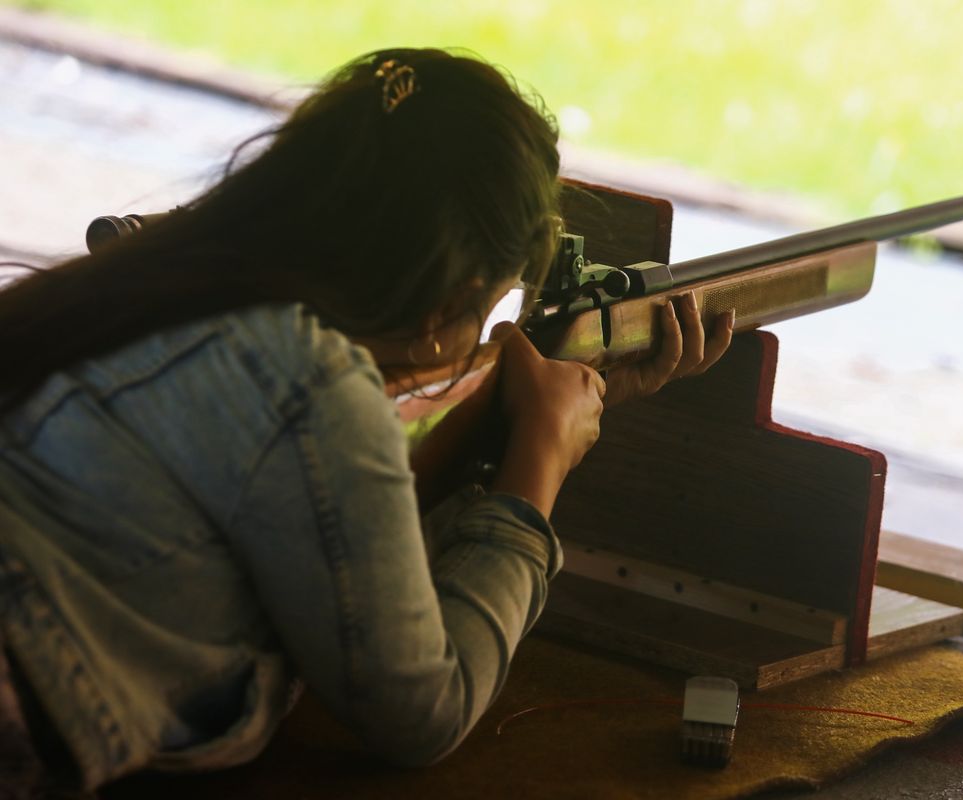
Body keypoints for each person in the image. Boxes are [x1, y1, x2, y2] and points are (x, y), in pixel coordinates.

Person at [0, 48, 732, 794]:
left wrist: (522, 422)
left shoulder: (164, 272)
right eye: (494, 310)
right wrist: (538, 463)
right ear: (455, 299)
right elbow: (422, 714)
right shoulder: (312, 382)